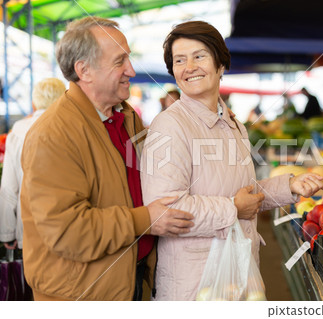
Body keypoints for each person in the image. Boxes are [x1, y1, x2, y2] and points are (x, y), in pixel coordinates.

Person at [140, 21, 323, 301]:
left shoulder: (232, 123)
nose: (189, 67)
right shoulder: (169, 127)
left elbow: (241, 191)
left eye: (199, 56)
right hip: (196, 284)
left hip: (237, 272)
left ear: (221, 64)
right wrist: (233, 208)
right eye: (179, 60)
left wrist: (290, 187)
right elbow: (165, 210)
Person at [20, 17, 194, 301]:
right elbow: (68, 231)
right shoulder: (53, 135)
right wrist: (144, 220)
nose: (132, 70)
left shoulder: (125, 118)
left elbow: (167, 164)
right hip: (84, 294)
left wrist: (207, 118)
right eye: (119, 61)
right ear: (84, 70)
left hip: (130, 279)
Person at [0, 78, 66, 251]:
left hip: (29, 229)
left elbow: (9, 187)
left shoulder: (19, 130)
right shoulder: (72, 128)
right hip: (67, 229)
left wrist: (7, 232)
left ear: (34, 103)